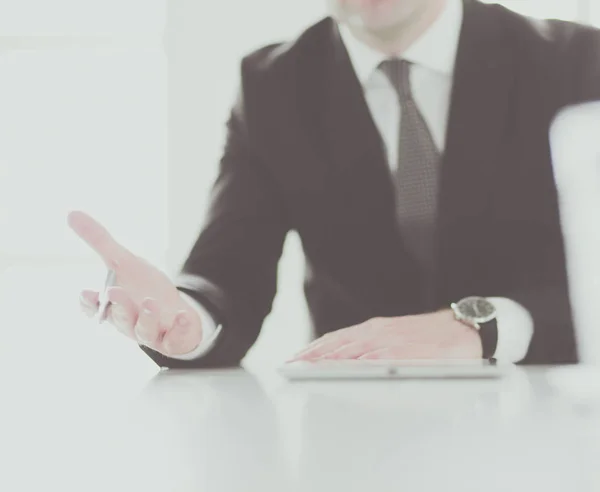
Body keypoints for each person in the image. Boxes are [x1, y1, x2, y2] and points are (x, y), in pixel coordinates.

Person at [70, 0, 600, 369]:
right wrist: (185, 320)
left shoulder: (577, 62)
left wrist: (486, 326)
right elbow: (228, 274)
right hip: (354, 426)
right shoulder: (273, 85)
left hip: (552, 416)